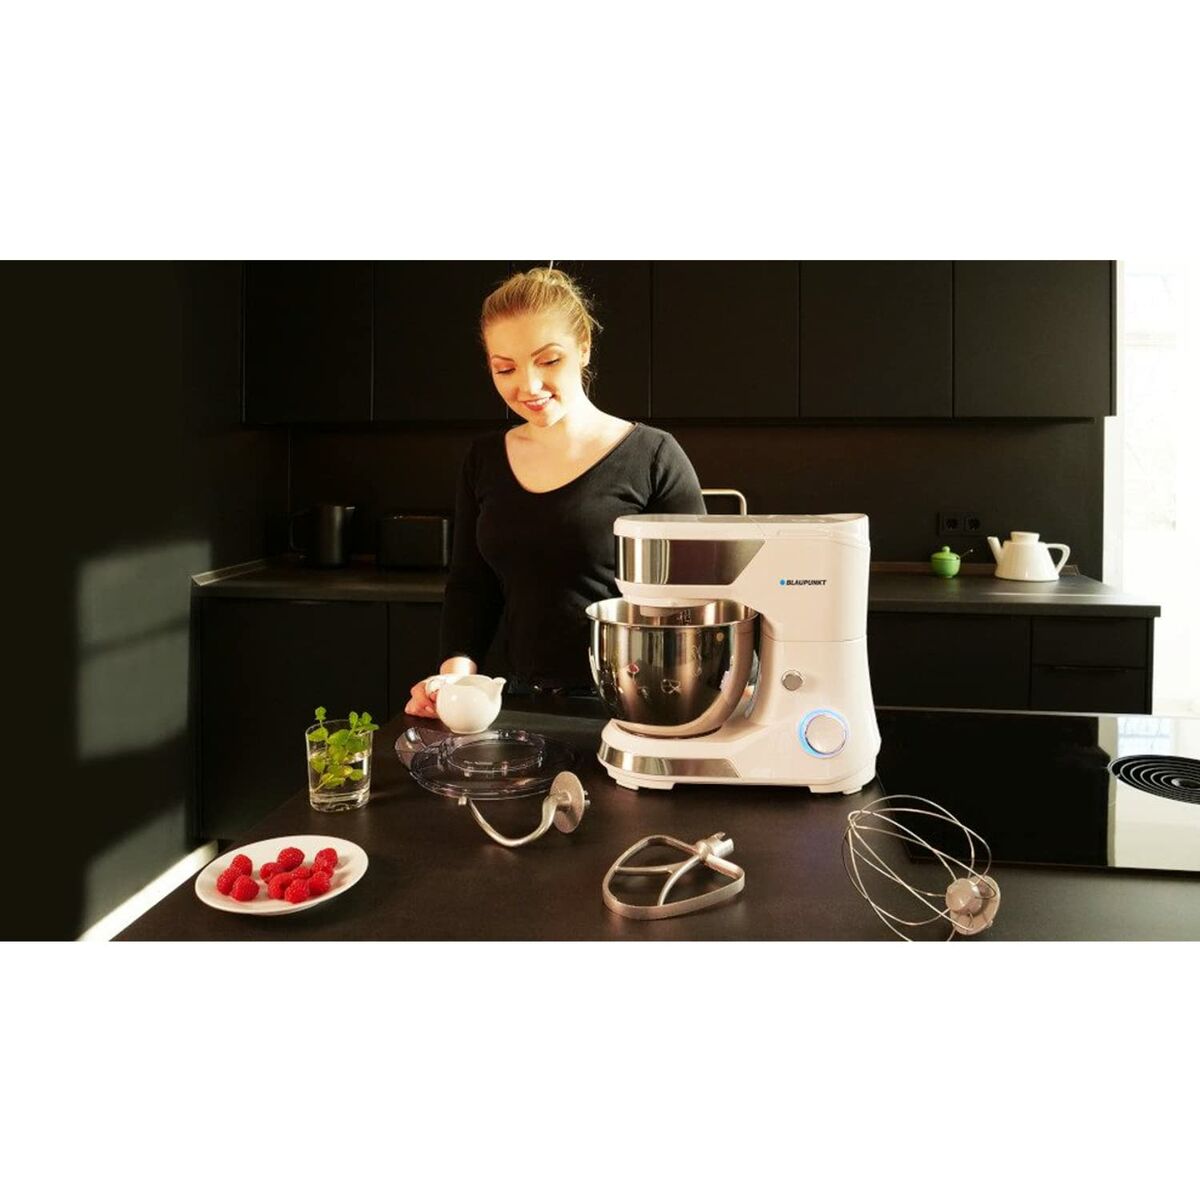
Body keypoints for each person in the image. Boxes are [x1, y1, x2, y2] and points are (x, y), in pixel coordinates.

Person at [404, 266, 707, 718]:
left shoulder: (652, 456)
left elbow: (699, 598)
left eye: (548, 360)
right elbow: (471, 585)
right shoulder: (484, 459)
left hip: (635, 701)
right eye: (505, 368)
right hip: (519, 699)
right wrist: (456, 677)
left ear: (583, 347)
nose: (528, 386)